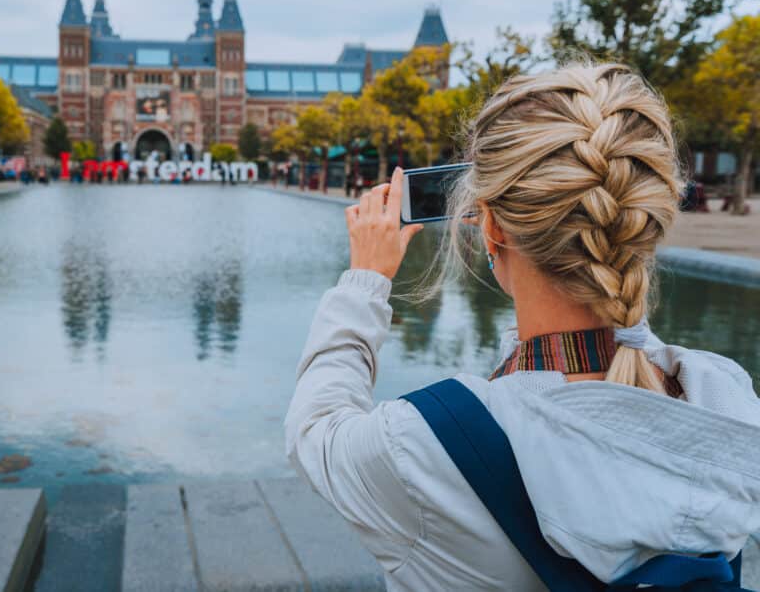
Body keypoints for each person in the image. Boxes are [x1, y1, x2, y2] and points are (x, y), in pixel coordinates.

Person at [285, 64, 760, 591]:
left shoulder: (423, 447)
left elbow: (314, 431)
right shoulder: (725, 399)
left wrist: (365, 281)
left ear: (488, 224)